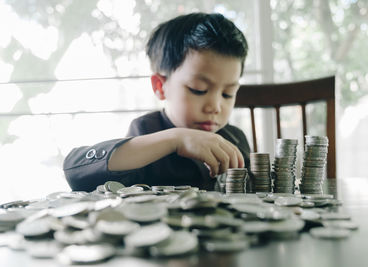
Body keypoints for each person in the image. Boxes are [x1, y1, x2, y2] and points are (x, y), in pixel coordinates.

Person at [63, 12, 250, 192]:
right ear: (160, 86)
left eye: (228, 94)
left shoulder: (235, 138)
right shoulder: (145, 129)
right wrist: (176, 139)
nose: (215, 107)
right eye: (198, 89)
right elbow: (77, 171)